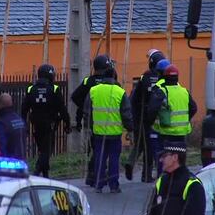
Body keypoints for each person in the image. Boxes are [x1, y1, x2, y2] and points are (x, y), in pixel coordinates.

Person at [84, 64, 133, 193]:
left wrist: (89, 127)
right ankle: (113, 185)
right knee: (114, 159)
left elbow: (87, 112)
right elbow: (126, 114)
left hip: (98, 133)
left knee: (99, 158)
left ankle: (98, 185)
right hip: (115, 134)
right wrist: (130, 129)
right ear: (115, 78)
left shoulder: (93, 91)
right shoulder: (120, 92)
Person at [71, 54, 119, 186]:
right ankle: (96, 175)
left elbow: (75, 96)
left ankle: (94, 176)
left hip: (92, 121)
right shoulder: (110, 81)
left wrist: (84, 108)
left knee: (97, 149)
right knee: (105, 152)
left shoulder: (89, 81)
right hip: (110, 122)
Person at [147, 141, 206, 215]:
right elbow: (152, 212)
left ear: (175, 157)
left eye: (164, 156)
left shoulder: (192, 184)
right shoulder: (162, 181)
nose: (161, 160)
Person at [124, 49, 167, 183]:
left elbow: (134, 98)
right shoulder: (164, 79)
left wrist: (134, 117)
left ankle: (131, 163)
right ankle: (146, 174)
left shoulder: (145, 77)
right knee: (150, 146)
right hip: (154, 118)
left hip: (140, 117)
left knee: (140, 144)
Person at [22, 64, 71, 178]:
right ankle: (37, 171)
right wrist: (67, 123)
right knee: (46, 151)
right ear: (50, 75)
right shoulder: (54, 89)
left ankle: (45, 175)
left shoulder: (31, 89)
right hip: (50, 124)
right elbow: (62, 109)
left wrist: (24, 125)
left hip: (36, 124)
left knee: (42, 149)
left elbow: (24, 109)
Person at [148, 64, 197, 174]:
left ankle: (164, 181)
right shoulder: (184, 91)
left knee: (166, 159)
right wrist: (185, 119)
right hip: (181, 133)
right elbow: (194, 108)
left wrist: (150, 124)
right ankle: (179, 181)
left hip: (167, 132)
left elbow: (152, 110)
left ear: (164, 77)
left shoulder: (162, 91)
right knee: (180, 159)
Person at [0, 93, 26, 160]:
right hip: (22, 161)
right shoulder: (20, 120)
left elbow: (1, 145)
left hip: (10, 163)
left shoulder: (1, 123)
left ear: (0, 105)